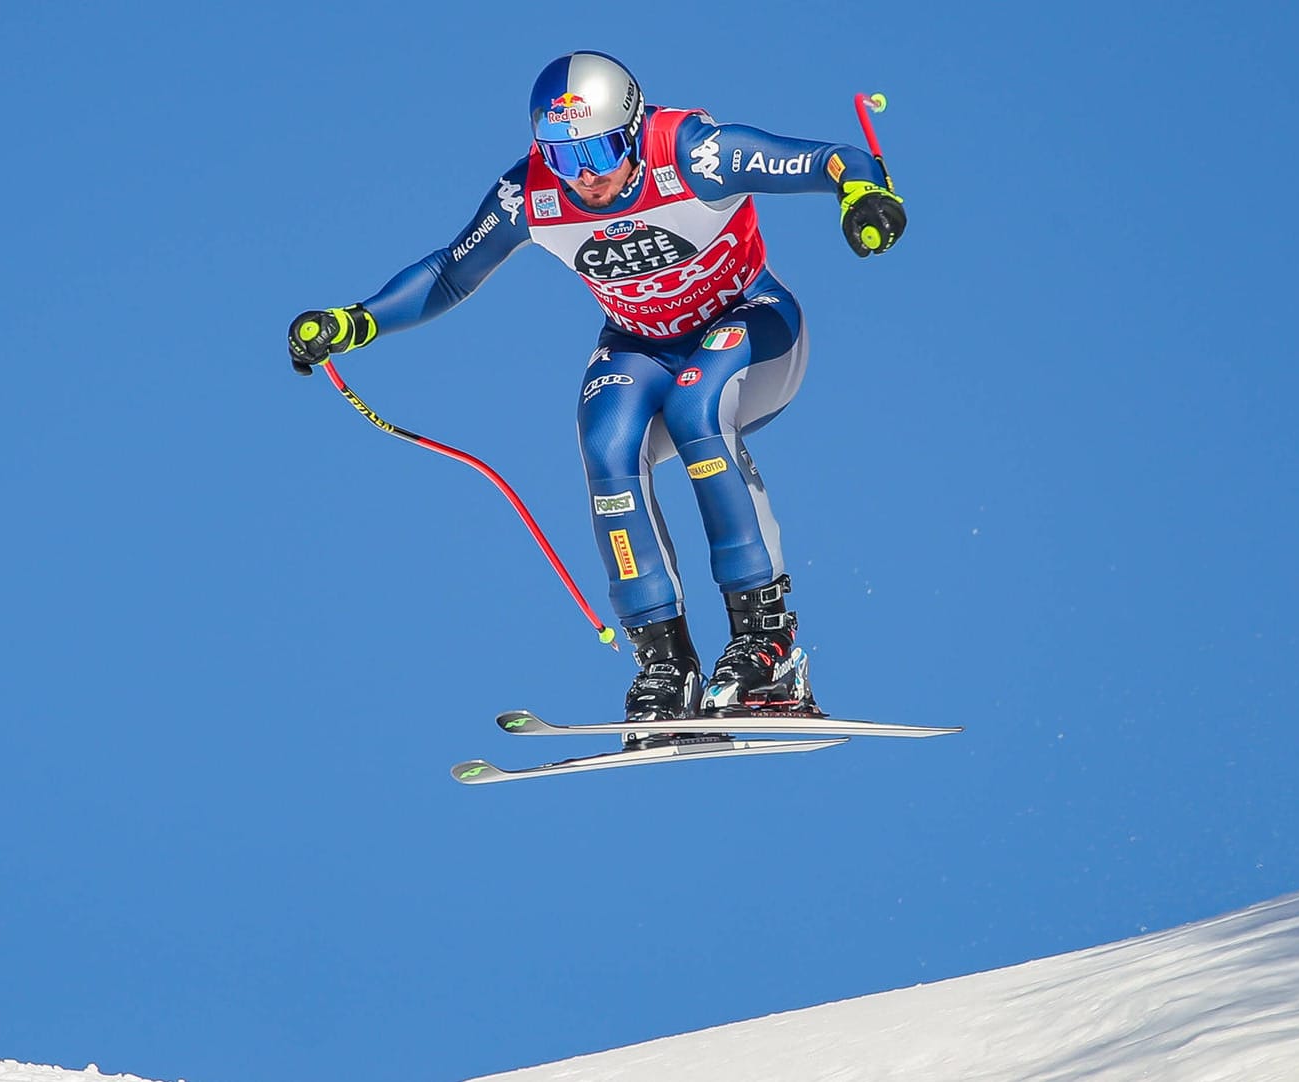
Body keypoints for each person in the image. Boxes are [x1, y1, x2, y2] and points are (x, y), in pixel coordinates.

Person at [288, 51, 905, 742]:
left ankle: (769, 646)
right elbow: (451, 272)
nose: (584, 173)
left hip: (752, 325)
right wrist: (356, 319)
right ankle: (666, 664)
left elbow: (830, 159)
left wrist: (863, 194)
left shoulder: (696, 156)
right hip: (641, 345)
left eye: (602, 147)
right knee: (606, 442)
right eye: (561, 153)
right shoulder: (531, 197)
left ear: (635, 131)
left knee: (697, 409)